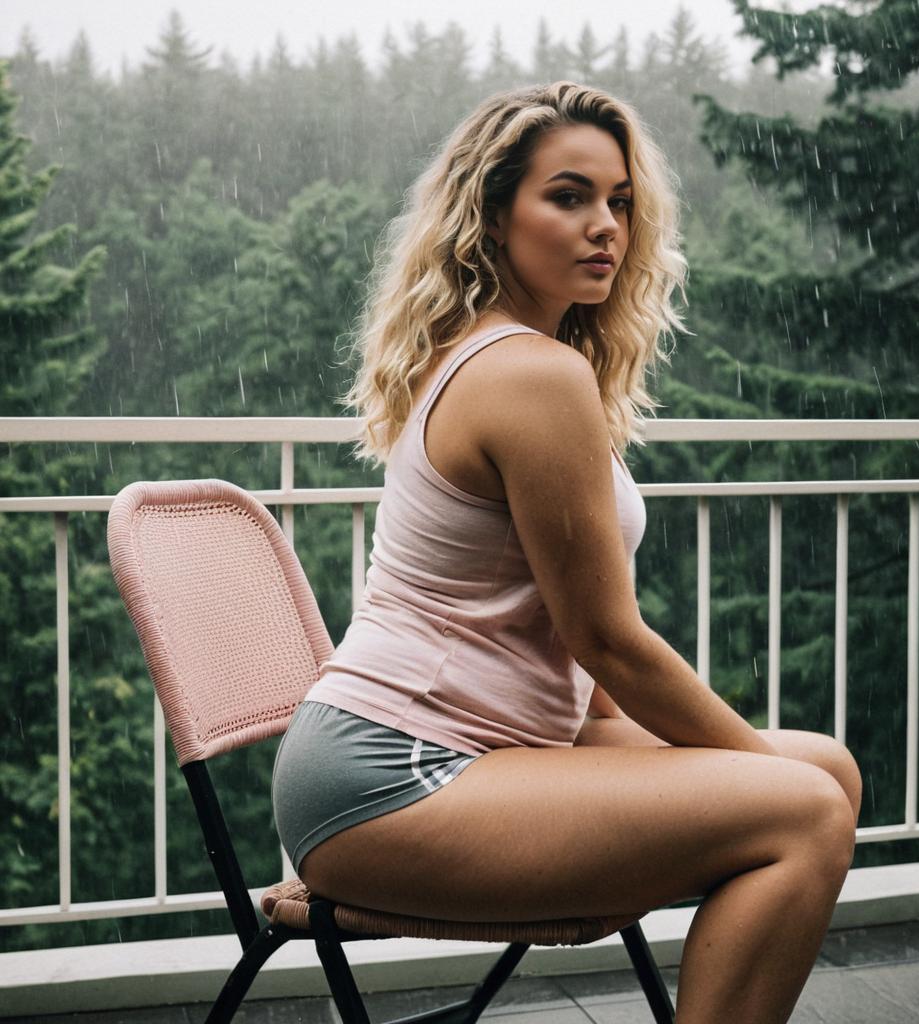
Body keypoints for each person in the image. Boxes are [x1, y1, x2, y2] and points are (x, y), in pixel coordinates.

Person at [272, 81, 861, 1024]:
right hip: (395, 773)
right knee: (805, 808)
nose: (606, 227)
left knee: (826, 769)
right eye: (569, 195)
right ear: (493, 214)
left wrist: (744, 766)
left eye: (620, 202)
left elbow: (575, 648)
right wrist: (753, 770)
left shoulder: (505, 353)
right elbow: (607, 639)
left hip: (464, 745)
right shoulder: (528, 373)